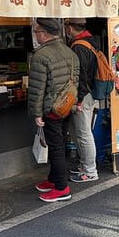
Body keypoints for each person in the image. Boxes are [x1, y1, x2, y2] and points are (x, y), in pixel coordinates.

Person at [28, 18, 80, 202]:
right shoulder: (70, 52)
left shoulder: (41, 56)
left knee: (56, 147)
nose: (36, 36)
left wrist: (36, 113)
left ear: (44, 33)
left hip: (50, 109)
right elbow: (76, 80)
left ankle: (61, 188)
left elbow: (37, 88)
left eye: (37, 32)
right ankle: (53, 179)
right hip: (66, 106)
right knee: (59, 144)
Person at [64, 18, 99, 183]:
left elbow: (82, 76)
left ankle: (90, 171)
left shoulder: (79, 46)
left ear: (70, 28)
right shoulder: (90, 41)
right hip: (89, 94)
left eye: (66, 27)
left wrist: (78, 100)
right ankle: (84, 165)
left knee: (83, 133)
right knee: (80, 132)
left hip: (83, 96)